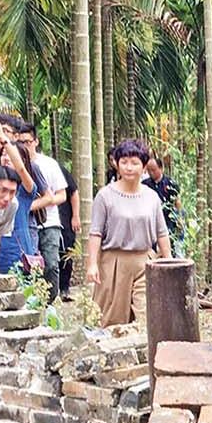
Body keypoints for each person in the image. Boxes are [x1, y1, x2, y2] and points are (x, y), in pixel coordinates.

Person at [87, 138, 172, 327]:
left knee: (147, 316)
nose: (129, 167)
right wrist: (92, 264)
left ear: (143, 167)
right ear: (117, 165)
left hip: (146, 261)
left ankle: (148, 354)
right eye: (124, 162)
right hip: (114, 262)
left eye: (134, 163)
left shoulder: (152, 197)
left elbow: (161, 232)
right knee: (112, 318)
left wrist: (169, 260)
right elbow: (95, 233)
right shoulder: (105, 196)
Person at [10, 121, 70, 301]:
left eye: (27, 142)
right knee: (29, 264)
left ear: (36, 141)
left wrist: (33, 205)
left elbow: (60, 195)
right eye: (20, 142)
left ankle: (51, 300)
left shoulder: (49, 164)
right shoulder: (12, 164)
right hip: (25, 225)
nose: (24, 146)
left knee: (51, 264)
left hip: (49, 221)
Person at [0, 118, 39, 274]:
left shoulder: (25, 191)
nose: (7, 158)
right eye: (4, 155)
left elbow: (21, 170)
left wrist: (4, 140)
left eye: (11, 156)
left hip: (19, 254)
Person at [144, 153, 183, 254]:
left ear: (161, 169)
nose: (151, 173)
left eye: (153, 170)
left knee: (170, 242)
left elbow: (177, 201)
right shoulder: (145, 185)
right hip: (150, 219)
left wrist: (179, 217)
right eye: (149, 170)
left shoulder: (170, 184)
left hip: (167, 218)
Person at [57, 159, 80, 300]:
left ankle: (65, 288)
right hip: (44, 221)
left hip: (65, 218)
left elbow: (73, 192)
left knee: (66, 253)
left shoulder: (56, 167)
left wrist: (76, 216)